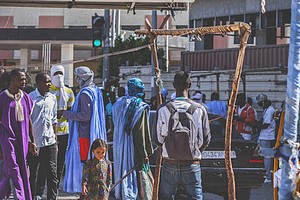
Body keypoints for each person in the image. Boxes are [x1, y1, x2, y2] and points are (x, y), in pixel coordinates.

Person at [153, 71, 211, 199]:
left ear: (174, 85)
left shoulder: (163, 109)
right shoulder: (199, 109)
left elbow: (157, 139)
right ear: (189, 85)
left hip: (170, 163)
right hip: (192, 163)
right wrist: (195, 151)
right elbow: (206, 139)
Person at [58, 66, 107, 193]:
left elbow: (85, 116)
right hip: (91, 132)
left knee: (84, 162)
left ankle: (84, 189)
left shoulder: (85, 93)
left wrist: (65, 113)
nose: (76, 80)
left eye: (77, 78)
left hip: (84, 134)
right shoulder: (95, 90)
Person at [112, 77, 153, 200]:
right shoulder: (140, 106)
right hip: (134, 149)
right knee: (135, 182)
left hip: (119, 145)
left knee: (121, 172)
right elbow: (141, 133)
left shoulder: (117, 103)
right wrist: (145, 153)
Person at [0, 68, 37, 200]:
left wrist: (32, 141)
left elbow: (29, 120)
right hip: (7, 138)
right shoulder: (3, 98)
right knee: (14, 168)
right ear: (12, 80)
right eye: (20, 79)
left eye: (24, 79)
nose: (23, 81)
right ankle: (21, 197)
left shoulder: (26, 97)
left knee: (17, 168)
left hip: (23, 138)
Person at [28, 72, 58, 199]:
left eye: (50, 81)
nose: (49, 84)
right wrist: (30, 141)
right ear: (39, 83)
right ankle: (33, 196)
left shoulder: (52, 98)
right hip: (35, 143)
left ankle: (52, 197)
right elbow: (27, 120)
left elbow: (54, 119)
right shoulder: (30, 98)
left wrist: (55, 138)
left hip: (50, 142)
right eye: (46, 82)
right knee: (33, 173)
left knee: (52, 173)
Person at [49, 65, 75, 188]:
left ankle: (56, 183)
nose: (58, 76)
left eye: (60, 73)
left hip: (64, 132)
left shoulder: (69, 92)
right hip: (49, 132)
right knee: (49, 160)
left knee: (60, 160)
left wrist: (63, 113)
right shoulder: (47, 91)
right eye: (56, 73)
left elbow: (72, 111)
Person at [255, 93, 276, 184]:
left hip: (267, 136)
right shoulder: (266, 109)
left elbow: (266, 124)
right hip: (264, 135)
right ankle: (265, 173)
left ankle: (268, 176)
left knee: (267, 157)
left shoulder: (270, 110)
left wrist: (256, 126)